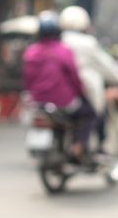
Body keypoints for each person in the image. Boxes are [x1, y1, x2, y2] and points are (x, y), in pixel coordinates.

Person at [23, 10, 95, 156]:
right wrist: (81, 92)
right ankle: (78, 145)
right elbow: (74, 77)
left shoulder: (31, 52)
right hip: (63, 101)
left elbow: (28, 80)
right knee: (89, 113)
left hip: (38, 101)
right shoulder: (64, 51)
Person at [58, 5, 118, 148]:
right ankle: (92, 146)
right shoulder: (88, 43)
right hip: (85, 89)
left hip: (61, 91)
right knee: (96, 113)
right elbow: (106, 65)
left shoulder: (58, 41)